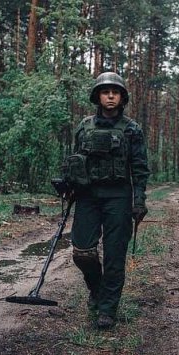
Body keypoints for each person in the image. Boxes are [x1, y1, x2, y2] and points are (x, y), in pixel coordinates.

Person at [63, 72, 149, 329]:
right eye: (105, 91)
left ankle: (107, 309)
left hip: (119, 197)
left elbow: (140, 168)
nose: (110, 96)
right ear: (98, 96)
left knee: (114, 256)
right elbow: (77, 160)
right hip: (88, 196)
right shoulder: (85, 125)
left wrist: (139, 200)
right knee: (82, 252)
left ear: (122, 97)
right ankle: (97, 290)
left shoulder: (132, 129)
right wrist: (68, 183)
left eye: (115, 92)